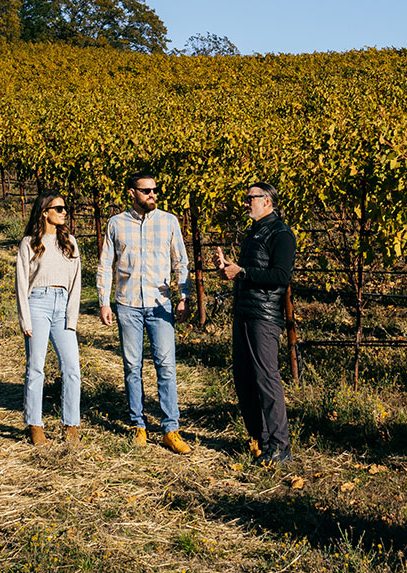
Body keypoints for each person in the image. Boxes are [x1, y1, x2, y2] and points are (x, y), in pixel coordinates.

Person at [96, 170, 192, 454]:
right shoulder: (116, 224)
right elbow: (105, 264)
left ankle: (170, 429)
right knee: (132, 366)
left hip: (159, 304)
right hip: (127, 303)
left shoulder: (169, 222)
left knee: (166, 366)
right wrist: (103, 301)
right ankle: (138, 424)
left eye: (154, 190)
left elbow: (181, 263)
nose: (153, 195)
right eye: (146, 191)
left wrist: (183, 297)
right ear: (132, 193)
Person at [215, 182, 296, 466]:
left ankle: (280, 444)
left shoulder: (281, 234)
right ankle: (261, 439)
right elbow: (251, 271)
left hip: (264, 316)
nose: (247, 202)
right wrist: (231, 269)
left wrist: (244, 271)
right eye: (247, 198)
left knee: (266, 378)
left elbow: (279, 276)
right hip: (245, 312)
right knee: (244, 377)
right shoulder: (255, 232)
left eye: (252, 198)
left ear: (268, 201)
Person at [15, 192, 82, 446]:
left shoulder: (70, 243)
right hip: (38, 304)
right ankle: (35, 425)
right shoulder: (30, 242)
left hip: (62, 305)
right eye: (59, 208)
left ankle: (71, 425)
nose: (64, 212)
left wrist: (72, 318)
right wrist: (26, 319)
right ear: (45, 212)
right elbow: (21, 283)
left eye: (65, 208)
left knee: (72, 368)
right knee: (36, 368)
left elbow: (76, 283)